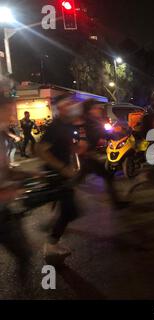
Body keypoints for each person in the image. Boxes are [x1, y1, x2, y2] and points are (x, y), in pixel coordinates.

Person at [36, 94, 81, 260]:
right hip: (55, 174)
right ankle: (51, 244)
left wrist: (75, 150)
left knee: (68, 209)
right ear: (60, 108)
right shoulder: (56, 126)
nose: (72, 106)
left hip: (62, 173)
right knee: (70, 210)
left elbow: (68, 145)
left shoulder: (67, 125)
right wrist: (62, 167)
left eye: (72, 104)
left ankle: (52, 235)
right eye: (68, 104)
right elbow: (40, 150)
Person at [0, 96, 33, 286]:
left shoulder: (2, 135)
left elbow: (5, 170)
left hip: (5, 210)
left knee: (23, 253)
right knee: (23, 252)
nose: (12, 114)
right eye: (8, 110)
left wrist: (25, 174)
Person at [76, 99, 128, 209]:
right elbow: (105, 134)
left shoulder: (86, 120)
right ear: (90, 111)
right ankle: (117, 203)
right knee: (107, 176)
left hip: (85, 156)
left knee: (78, 179)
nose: (99, 109)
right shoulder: (92, 122)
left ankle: (62, 191)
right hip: (88, 156)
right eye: (95, 108)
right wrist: (119, 133)